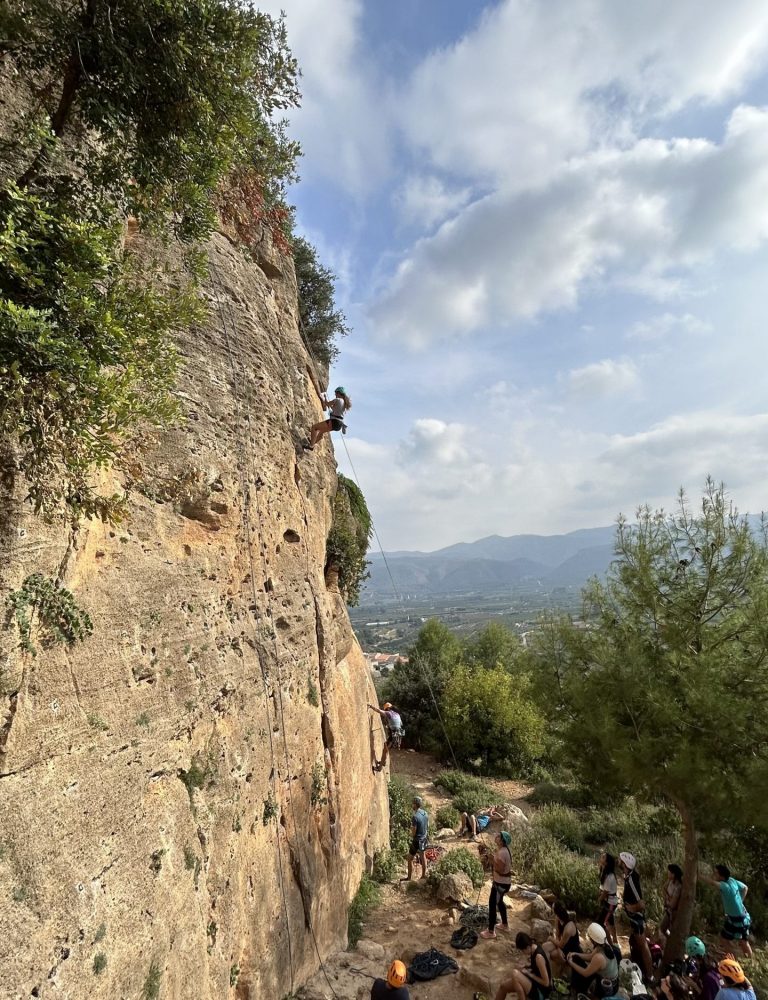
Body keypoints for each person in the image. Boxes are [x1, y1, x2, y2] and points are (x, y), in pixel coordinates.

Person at [701, 865, 753, 958]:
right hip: (734, 918)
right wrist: (740, 902)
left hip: (739, 919)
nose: (714, 874)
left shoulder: (725, 886)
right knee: (724, 938)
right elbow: (745, 888)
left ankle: (746, 961)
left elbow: (712, 883)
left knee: (743, 941)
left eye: (716, 873)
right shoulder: (732, 880)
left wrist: (699, 876)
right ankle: (735, 958)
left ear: (721, 876)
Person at [565, 922, 619, 996]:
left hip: (607, 986)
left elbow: (585, 973)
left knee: (581, 977)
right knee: (576, 959)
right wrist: (575, 954)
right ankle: (578, 986)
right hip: (605, 978)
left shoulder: (599, 957)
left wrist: (571, 963)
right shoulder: (603, 945)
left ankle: (583, 991)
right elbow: (590, 957)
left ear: (593, 940)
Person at [495, 931, 552, 1000]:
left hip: (541, 991)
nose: (523, 953)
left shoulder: (538, 957)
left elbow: (546, 983)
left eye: (522, 951)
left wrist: (529, 974)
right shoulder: (533, 946)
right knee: (503, 986)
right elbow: (536, 968)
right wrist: (526, 967)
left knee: (515, 974)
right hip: (533, 983)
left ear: (527, 947)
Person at [480, 831, 514, 939]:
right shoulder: (503, 850)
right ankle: (504, 925)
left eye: (499, 836)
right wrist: (492, 858)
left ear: (502, 840)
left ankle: (491, 931)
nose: (496, 837)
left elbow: (500, 870)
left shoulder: (502, 853)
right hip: (503, 883)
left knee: (492, 904)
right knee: (499, 903)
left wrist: (491, 860)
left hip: (500, 884)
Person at [305, 386, 351, 450]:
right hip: (339, 424)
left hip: (334, 421)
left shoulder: (337, 400)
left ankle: (311, 445)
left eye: (335, 393)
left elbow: (327, 404)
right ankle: (312, 443)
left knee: (314, 427)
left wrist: (324, 397)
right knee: (321, 432)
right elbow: (335, 409)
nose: (335, 394)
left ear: (338, 393)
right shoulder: (344, 403)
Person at [543, 900, 581, 976]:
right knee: (544, 947)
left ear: (557, 912)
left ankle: (559, 969)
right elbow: (557, 935)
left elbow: (561, 944)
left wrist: (551, 938)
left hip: (571, 950)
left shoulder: (569, 927)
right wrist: (558, 948)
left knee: (553, 954)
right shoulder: (558, 918)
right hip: (562, 945)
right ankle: (546, 971)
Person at [368, 702, 404, 771]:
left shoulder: (388, 713)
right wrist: (391, 725)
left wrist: (371, 706)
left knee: (385, 749)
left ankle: (379, 768)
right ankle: (383, 762)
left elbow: (379, 711)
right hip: (398, 735)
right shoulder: (397, 714)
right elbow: (400, 724)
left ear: (387, 708)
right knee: (386, 748)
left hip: (394, 735)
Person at [402, 797, 428, 881]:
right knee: (423, 856)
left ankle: (409, 878)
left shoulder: (415, 817)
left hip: (417, 840)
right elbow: (427, 826)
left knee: (409, 858)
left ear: (415, 804)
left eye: (413, 803)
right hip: (424, 838)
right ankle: (423, 875)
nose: (412, 805)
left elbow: (413, 832)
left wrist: (410, 833)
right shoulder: (425, 813)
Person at [597, 852, 619, 947]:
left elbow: (605, 892)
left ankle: (610, 945)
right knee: (610, 921)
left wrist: (598, 900)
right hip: (608, 901)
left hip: (610, 903)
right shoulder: (604, 871)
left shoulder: (609, 877)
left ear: (606, 862)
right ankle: (615, 941)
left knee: (602, 923)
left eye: (603, 857)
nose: (600, 858)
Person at [660, 864, 683, 939]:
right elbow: (663, 889)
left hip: (672, 912)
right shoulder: (670, 881)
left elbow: (673, 904)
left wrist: (667, 900)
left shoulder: (678, 887)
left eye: (669, 872)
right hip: (668, 909)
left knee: (663, 928)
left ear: (673, 874)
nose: (668, 874)